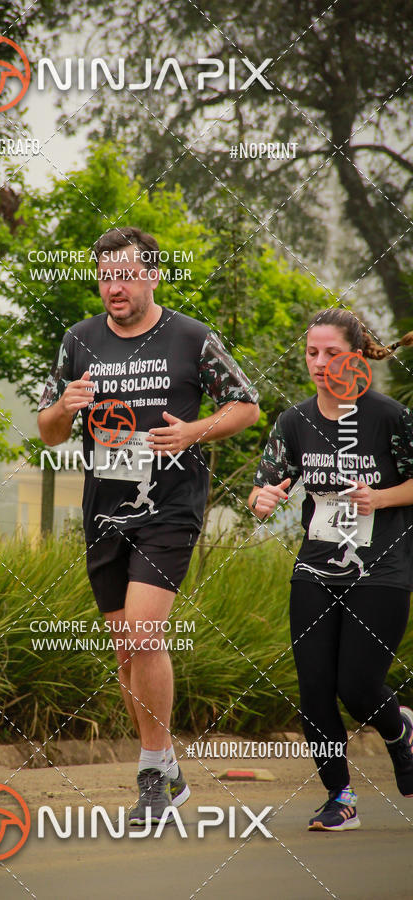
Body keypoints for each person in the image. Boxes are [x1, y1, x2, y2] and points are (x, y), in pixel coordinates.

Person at [38, 226, 259, 824]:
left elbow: (247, 404)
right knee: (125, 651)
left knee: (142, 635)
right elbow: (48, 430)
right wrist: (65, 407)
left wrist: (192, 432)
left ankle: (150, 774)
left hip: (170, 508)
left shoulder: (191, 337)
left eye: (127, 275)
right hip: (103, 510)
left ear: (153, 276)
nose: (115, 286)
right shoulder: (78, 341)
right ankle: (166, 766)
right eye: (106, 275)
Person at [249, 307, 413, 831]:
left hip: (382, 571)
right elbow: (266, 481)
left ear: (357, 356)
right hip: (316, 569)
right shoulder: (294, 422)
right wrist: (264, 497)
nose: (320, 364)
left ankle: (400, 731)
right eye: (312, 353)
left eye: (333, 354)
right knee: (315, 687)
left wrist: (380, 498)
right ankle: (339, 795)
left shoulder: (388, 417)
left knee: (359, 687)